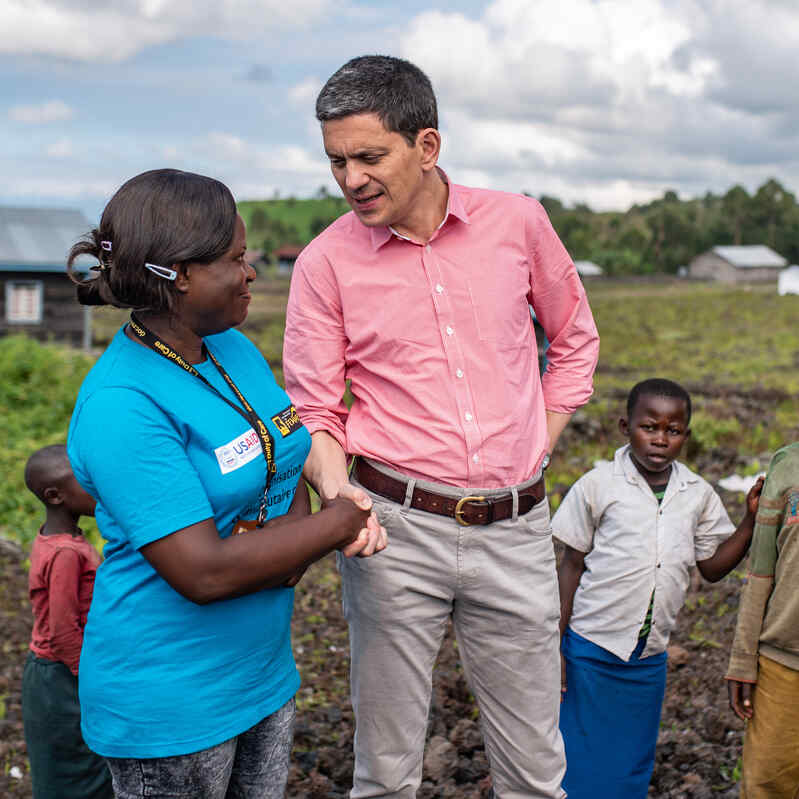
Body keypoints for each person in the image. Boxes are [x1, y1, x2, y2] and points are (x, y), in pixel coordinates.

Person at [283, 55, 600, 798]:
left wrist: (537, 441)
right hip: (393, 529)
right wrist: (340, 497)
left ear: (426, 146)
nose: (351, 179)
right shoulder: (323, 263)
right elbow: (315, 410)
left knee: (532, 770)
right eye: (336, 161)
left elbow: (574, 341)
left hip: (518, 531)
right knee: (386, 771)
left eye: (369, 156)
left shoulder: (517, 223)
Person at [66, 168, 382, 799]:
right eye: (236, 259)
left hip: (261, 676)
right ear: (180, 275)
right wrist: (337, 521)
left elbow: (284, 452)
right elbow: (205, 573)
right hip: (171, 704)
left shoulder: (230, 347)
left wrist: (271, 548)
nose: (251, 273)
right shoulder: (122, 404)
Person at [553, 378, 763, 799]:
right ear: (624, 426)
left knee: (632, 759)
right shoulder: (599, 487)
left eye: (673, 431)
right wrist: (554, 645)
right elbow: (570, 567)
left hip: (648, 657)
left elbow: (714, 567)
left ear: (686, 436)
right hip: (590, 648)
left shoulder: (696, 495)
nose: (660, 439)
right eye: (649, 427)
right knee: (576, 755)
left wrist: (749, 522)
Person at [21, 444, 113, 799]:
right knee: (78, 773)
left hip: (54, 672)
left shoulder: (55, 538)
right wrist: (91, 678)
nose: (97, 487)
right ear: (55, 496)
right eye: (85, 481)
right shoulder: (65, 554)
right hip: (62, 675)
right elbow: (61, 632)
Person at [725, 442, 799, 798]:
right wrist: (742, 659)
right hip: (783, 664)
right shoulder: (788, 466)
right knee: (768, 782)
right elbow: (761, 571)